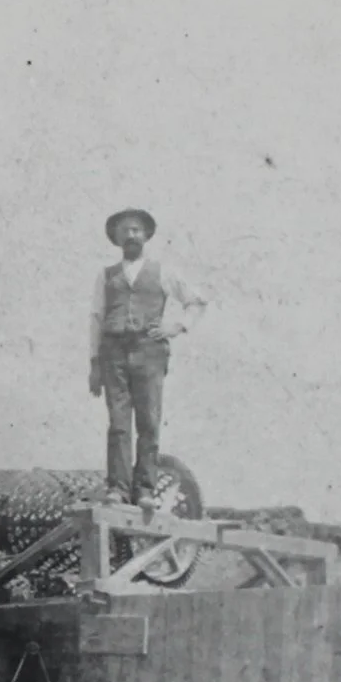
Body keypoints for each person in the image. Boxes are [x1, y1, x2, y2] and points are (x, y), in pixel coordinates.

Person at [88, 208, 206, 505]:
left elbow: (196, 302)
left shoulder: (163, 272)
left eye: (136, 230)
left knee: (149, 422)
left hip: (150, 353)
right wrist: (94, 364)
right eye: (125, 230)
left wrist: (176, 326)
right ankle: (118, 488)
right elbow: (96, 319)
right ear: (116, 238)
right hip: (112, 354)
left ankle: (144, 489)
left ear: (146, 235)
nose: (131, 235)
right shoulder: (106, 276)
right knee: (118, 424)